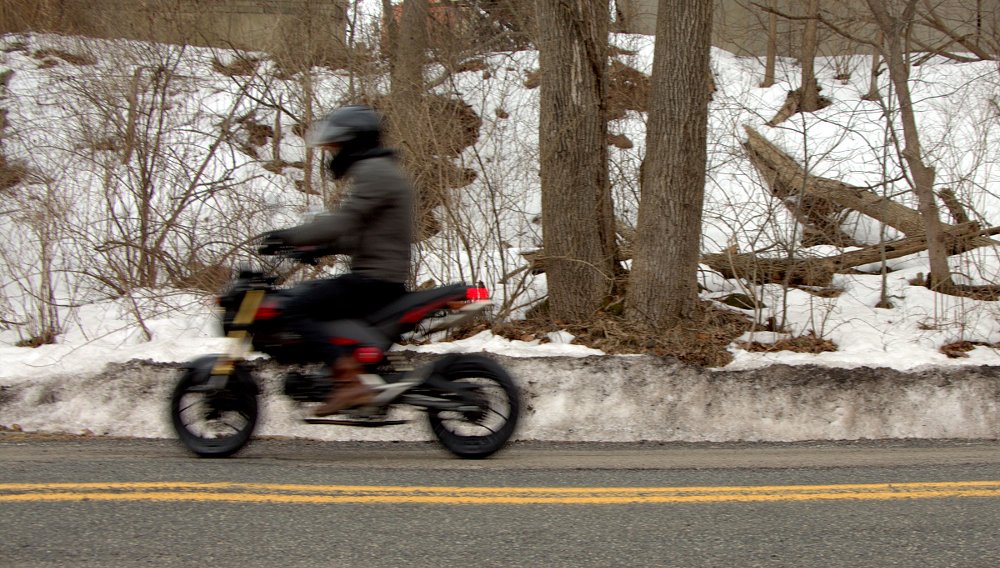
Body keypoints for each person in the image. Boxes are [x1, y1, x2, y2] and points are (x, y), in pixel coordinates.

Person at [259, 105, 413, 416]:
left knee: (295, 307)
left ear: (354, 142)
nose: (332, 154)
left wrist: (287, 236)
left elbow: (343, 222)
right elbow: (361, 232)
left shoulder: (374, 173)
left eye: (335, 147)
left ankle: (348, 381)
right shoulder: (379, 172)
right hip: (379, 275)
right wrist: (318, 249)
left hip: (374, 281)